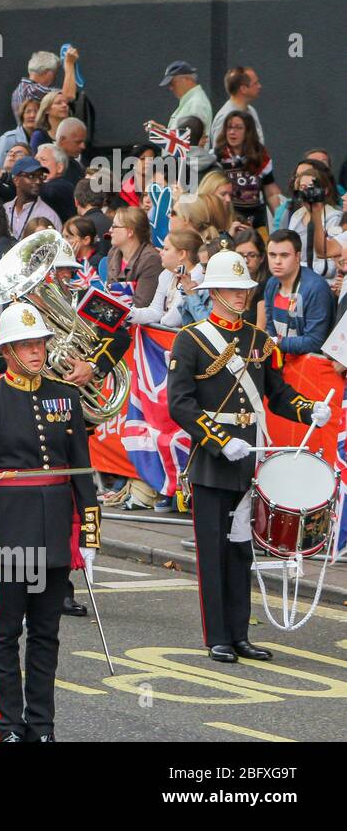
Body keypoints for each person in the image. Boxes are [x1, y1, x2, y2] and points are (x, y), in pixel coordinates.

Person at [167, 250, 328, 664]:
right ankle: (217, 635)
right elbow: (180, 405)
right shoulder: (192, 339)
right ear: (214, 291)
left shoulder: (259, 341)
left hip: (250, 458)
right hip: (213, 458)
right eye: (231, 290)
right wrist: (219, 440)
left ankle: (239, 633)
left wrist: (309, 409)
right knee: (213, 552)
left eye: (243, 290)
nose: (239, 297)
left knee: (241, 552)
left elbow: (277, 394)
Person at [0, 301, 100, 741]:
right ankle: (10, 725)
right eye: (26, 345)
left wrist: (89, 533)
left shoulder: (66, 396)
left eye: (39, 343)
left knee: (46, 634)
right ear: (8, 350)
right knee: (5, 633)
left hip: (55, 528)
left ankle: (42, 723)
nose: (36, 351)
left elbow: (81, 471)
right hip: (11, 529)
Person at [263, 230, 332, 355]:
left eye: (284, 255)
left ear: (297, 256)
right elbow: (270, 327)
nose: (277, 261)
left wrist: (276, 342)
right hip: (279, 360)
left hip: (309, 366)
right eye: (272, 255)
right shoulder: (271, 284)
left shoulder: (316, 288)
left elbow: (315, 341)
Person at [105, 207, 164, 308]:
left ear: (130, 232)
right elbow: (109, 293)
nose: (110, 230)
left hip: (136, 320)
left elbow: (141, 304)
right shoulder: (114, 252)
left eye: (114, 226)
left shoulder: (151, 260)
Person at [209, 66, 264, 144]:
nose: (259, 86)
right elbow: (220, 153)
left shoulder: (252, 111)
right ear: (243, 89)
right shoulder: (225, 118)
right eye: (255, 83)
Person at [161, 61, 213, 132]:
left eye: (172, 83)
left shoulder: (196, 104)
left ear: (186, 80)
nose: (171, 88)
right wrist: (163, 132)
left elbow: (192, 140)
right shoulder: (191, 101)